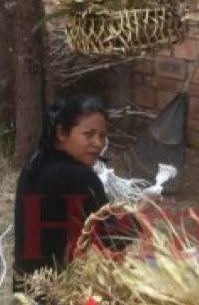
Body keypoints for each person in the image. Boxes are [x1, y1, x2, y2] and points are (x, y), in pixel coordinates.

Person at [13, 94, 125, 294]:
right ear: (62, 133)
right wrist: (140, 217)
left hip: (27, 285)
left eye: (102, 136)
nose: (98, 143)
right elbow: (114, 239)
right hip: (60, 293)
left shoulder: (36, 164)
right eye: (88, 134)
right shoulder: (78, 177)